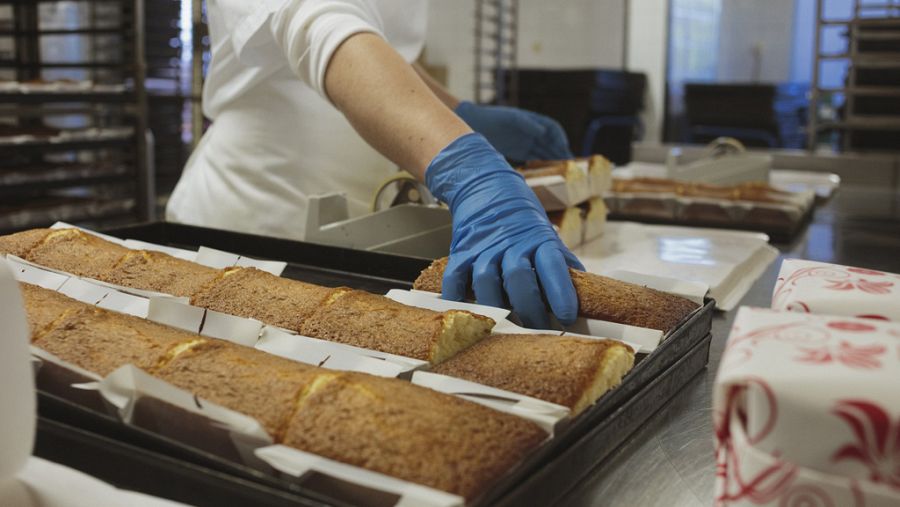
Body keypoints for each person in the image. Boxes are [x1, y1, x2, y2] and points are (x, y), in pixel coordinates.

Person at [166, 0, 584, 328]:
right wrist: (469, 168)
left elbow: (380, 41)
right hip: (255, 220)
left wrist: (460, 111)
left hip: (357, 235)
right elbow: (322, 25)